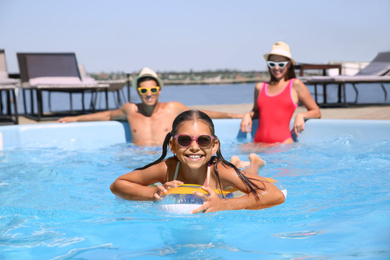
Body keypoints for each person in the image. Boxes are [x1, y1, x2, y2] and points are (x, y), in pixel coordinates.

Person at [110, 110, 285, 214]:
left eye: (203, 140)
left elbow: (275, 194)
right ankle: (240, 163)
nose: (194, 147)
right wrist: (154, 193)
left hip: (225, 182)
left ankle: (255, 162)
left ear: (214, 146)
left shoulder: (220, 170)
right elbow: (118, 184)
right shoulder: (168, 168)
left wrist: (225, 204)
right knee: (240, 175)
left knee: (247, 177)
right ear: (173, 145)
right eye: (185, 140)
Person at [57, 67, 242, 146]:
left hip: (165, 157)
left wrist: (233, 116)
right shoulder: (131, 109)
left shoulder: (172, 108)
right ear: (138, 92)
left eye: (153, 89)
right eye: (144, 90)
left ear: (159, 90)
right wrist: (75, 118)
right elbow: (107, 116)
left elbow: (200, 115)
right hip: (136, 159)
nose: (149, 93)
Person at [240, 41, 321, 144]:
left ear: (289, 64)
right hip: (258, 145)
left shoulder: (295, 85)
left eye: (281, 64)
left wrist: (301, 115)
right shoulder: (260, 88)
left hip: (283, 145)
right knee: (234, 159)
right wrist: (248, 115)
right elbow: (258, 113)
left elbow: (317, 112)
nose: (276, 68)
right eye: (272, 64)